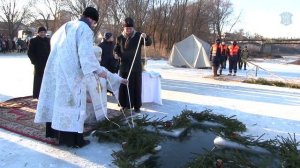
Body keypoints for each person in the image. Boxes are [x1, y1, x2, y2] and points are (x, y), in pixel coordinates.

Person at [34, 7, 127, 148]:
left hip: (56, 71)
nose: (93, 26)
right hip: (71, 74)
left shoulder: (65, 26)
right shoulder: (84, 29)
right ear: (92, 19)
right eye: (94, 23)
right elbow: (87, 59)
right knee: (73, 104)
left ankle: (56, 134)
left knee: (58, 101)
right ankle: (74, 141)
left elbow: (54, 43)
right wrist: (104, 73)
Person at [114, 17, 152, 112]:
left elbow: (148, 43)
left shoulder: (138, 36)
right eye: (127, 28)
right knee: (124, 86)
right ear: (123, 28)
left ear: (133, 28)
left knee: (136, 86)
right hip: (124, 66)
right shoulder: (119, 38)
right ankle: (124, 105)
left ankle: (137, 106)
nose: (129, 30)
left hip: (135, 67)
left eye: (130, 28)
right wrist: (117, 55)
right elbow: (116, 49)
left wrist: (146, 37)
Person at [27, 26, 51, 99]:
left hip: (47, 63)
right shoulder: (33, 40)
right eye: (41, 32)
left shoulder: (49, 40)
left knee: (47, 79)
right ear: (38, 33)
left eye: (44, 32)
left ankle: (47, 93)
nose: (43, 33)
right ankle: (37, 95)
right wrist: (34, 61)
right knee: (38, 79)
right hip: (38, 63)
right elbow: (30, 53)